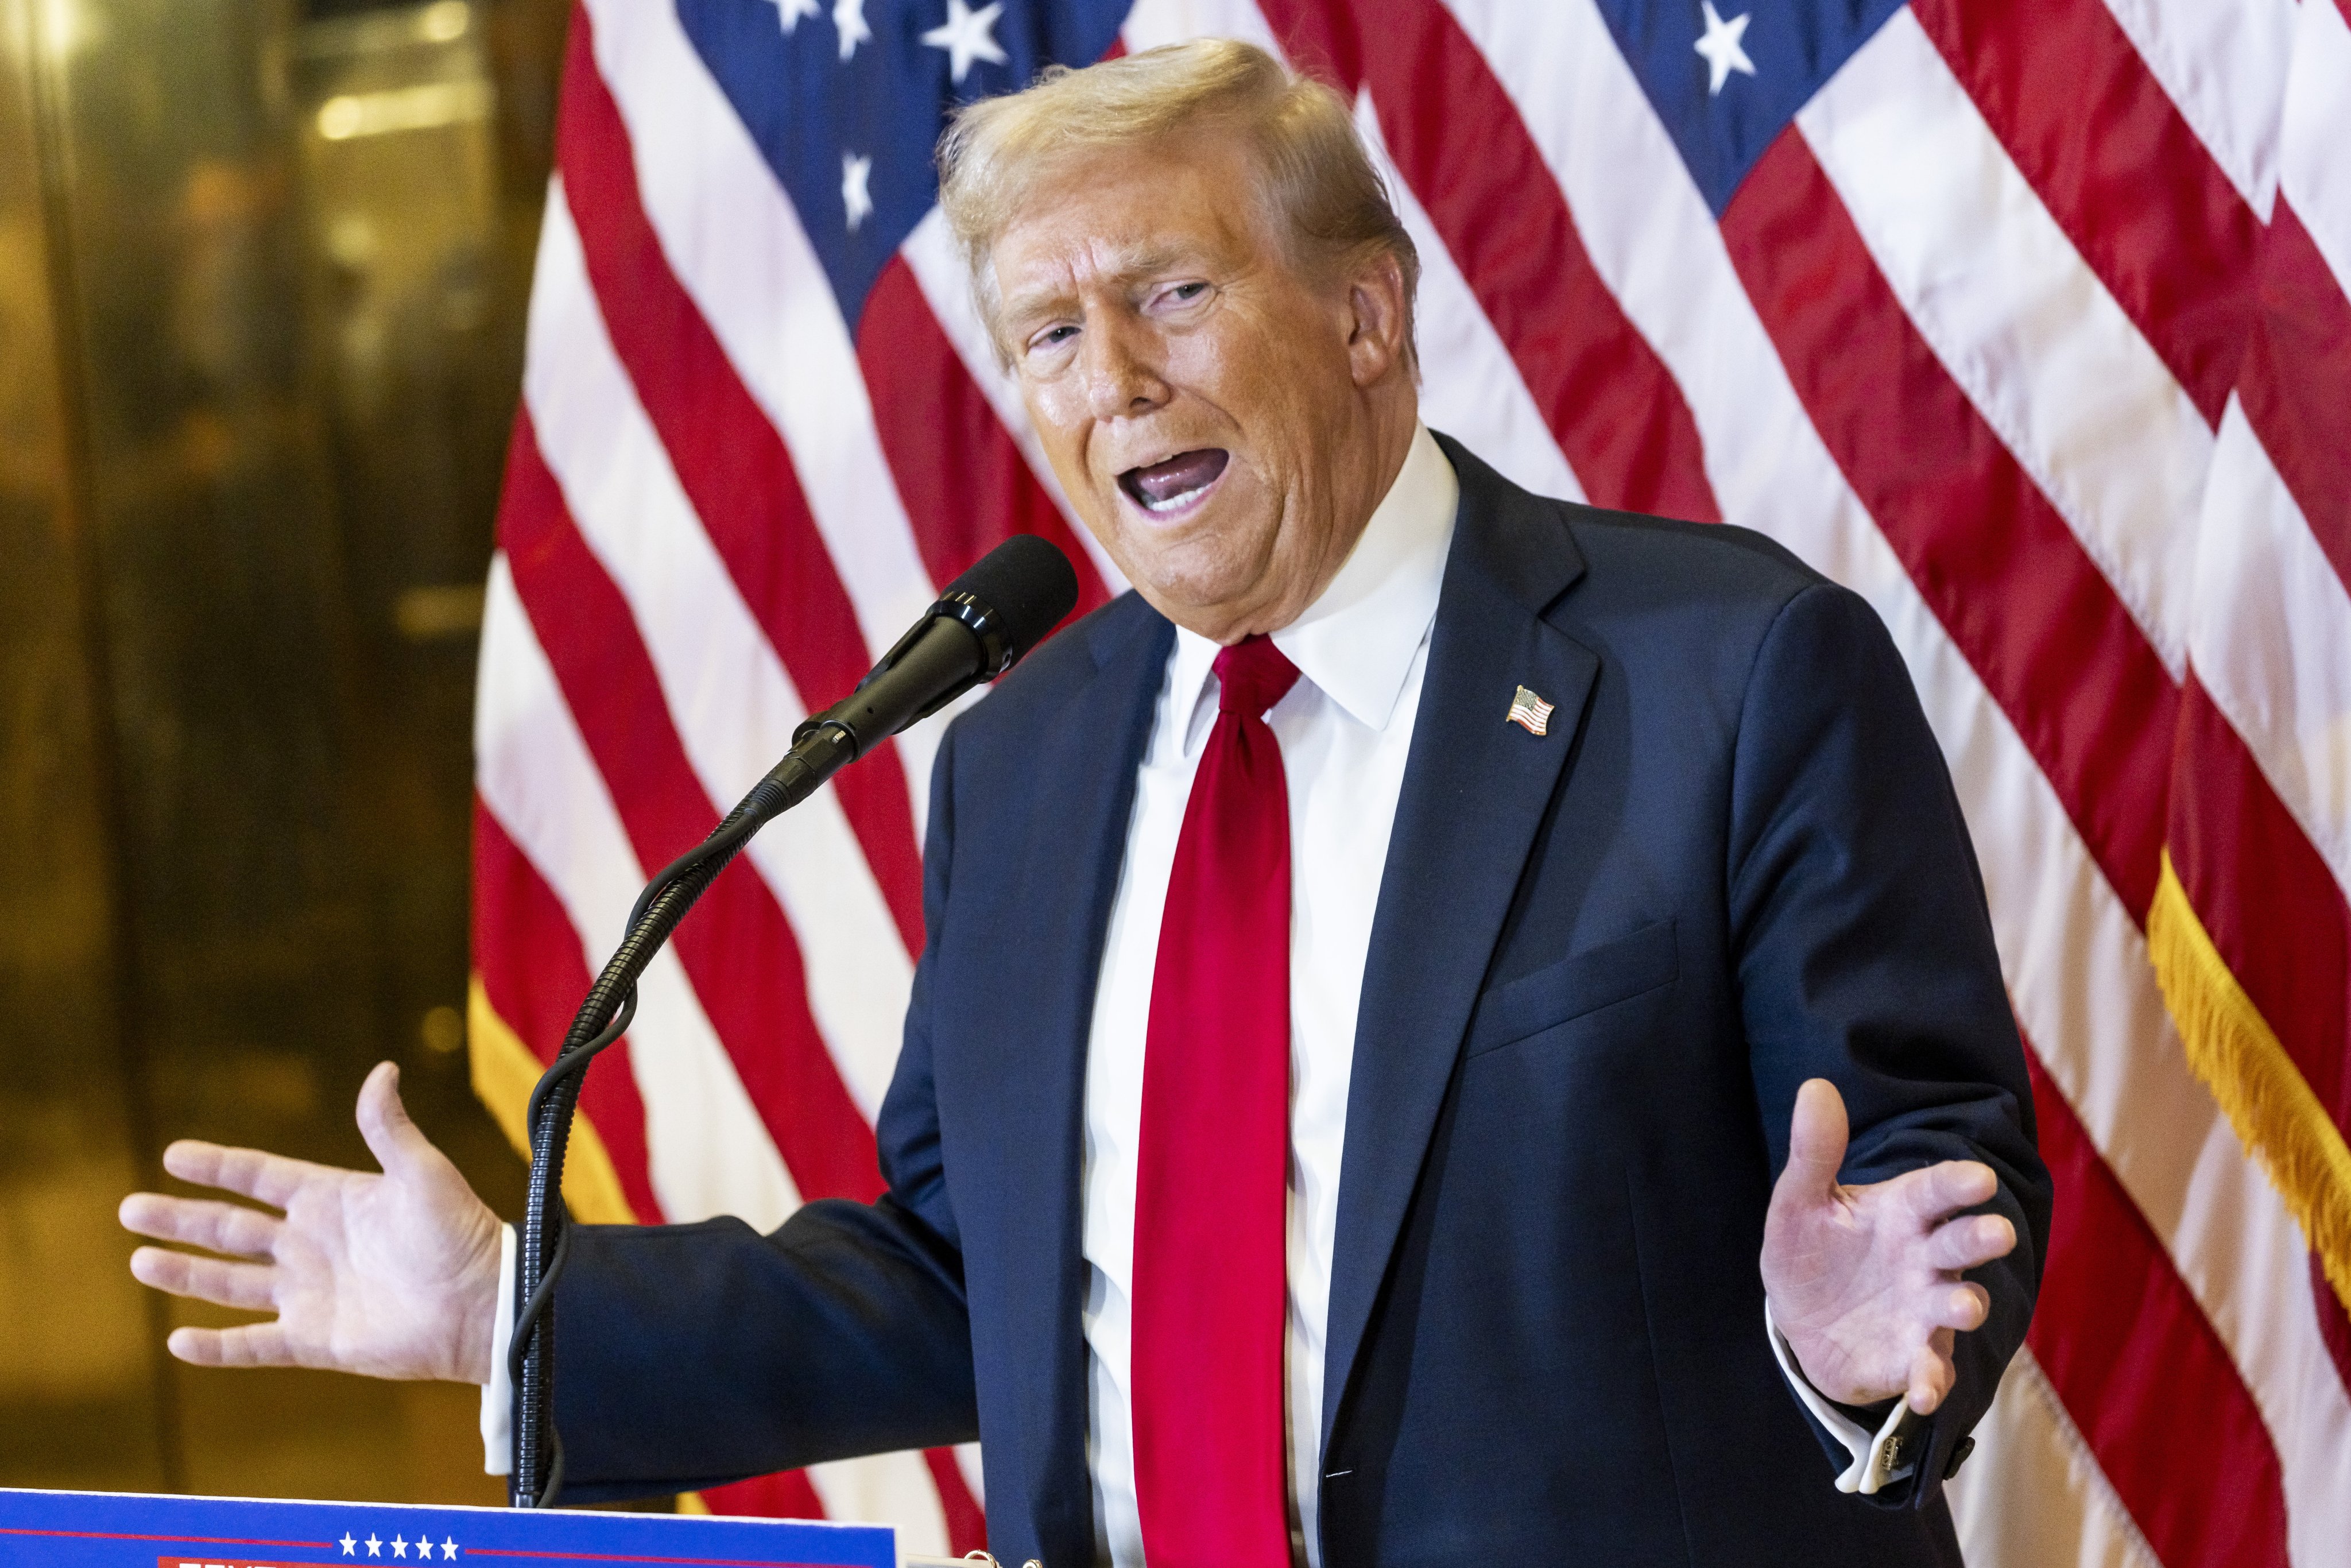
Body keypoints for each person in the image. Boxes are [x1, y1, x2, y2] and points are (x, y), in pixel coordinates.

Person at [122, 39, 2048, 1568]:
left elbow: (1911, 1187)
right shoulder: (1019, 758)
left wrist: (1849, 1348)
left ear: (1366, 317)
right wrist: (522, 1316)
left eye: (1174, 293)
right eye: (1050, 333)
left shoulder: (1728, 670)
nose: (1112, 381)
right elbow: (961, 1275)